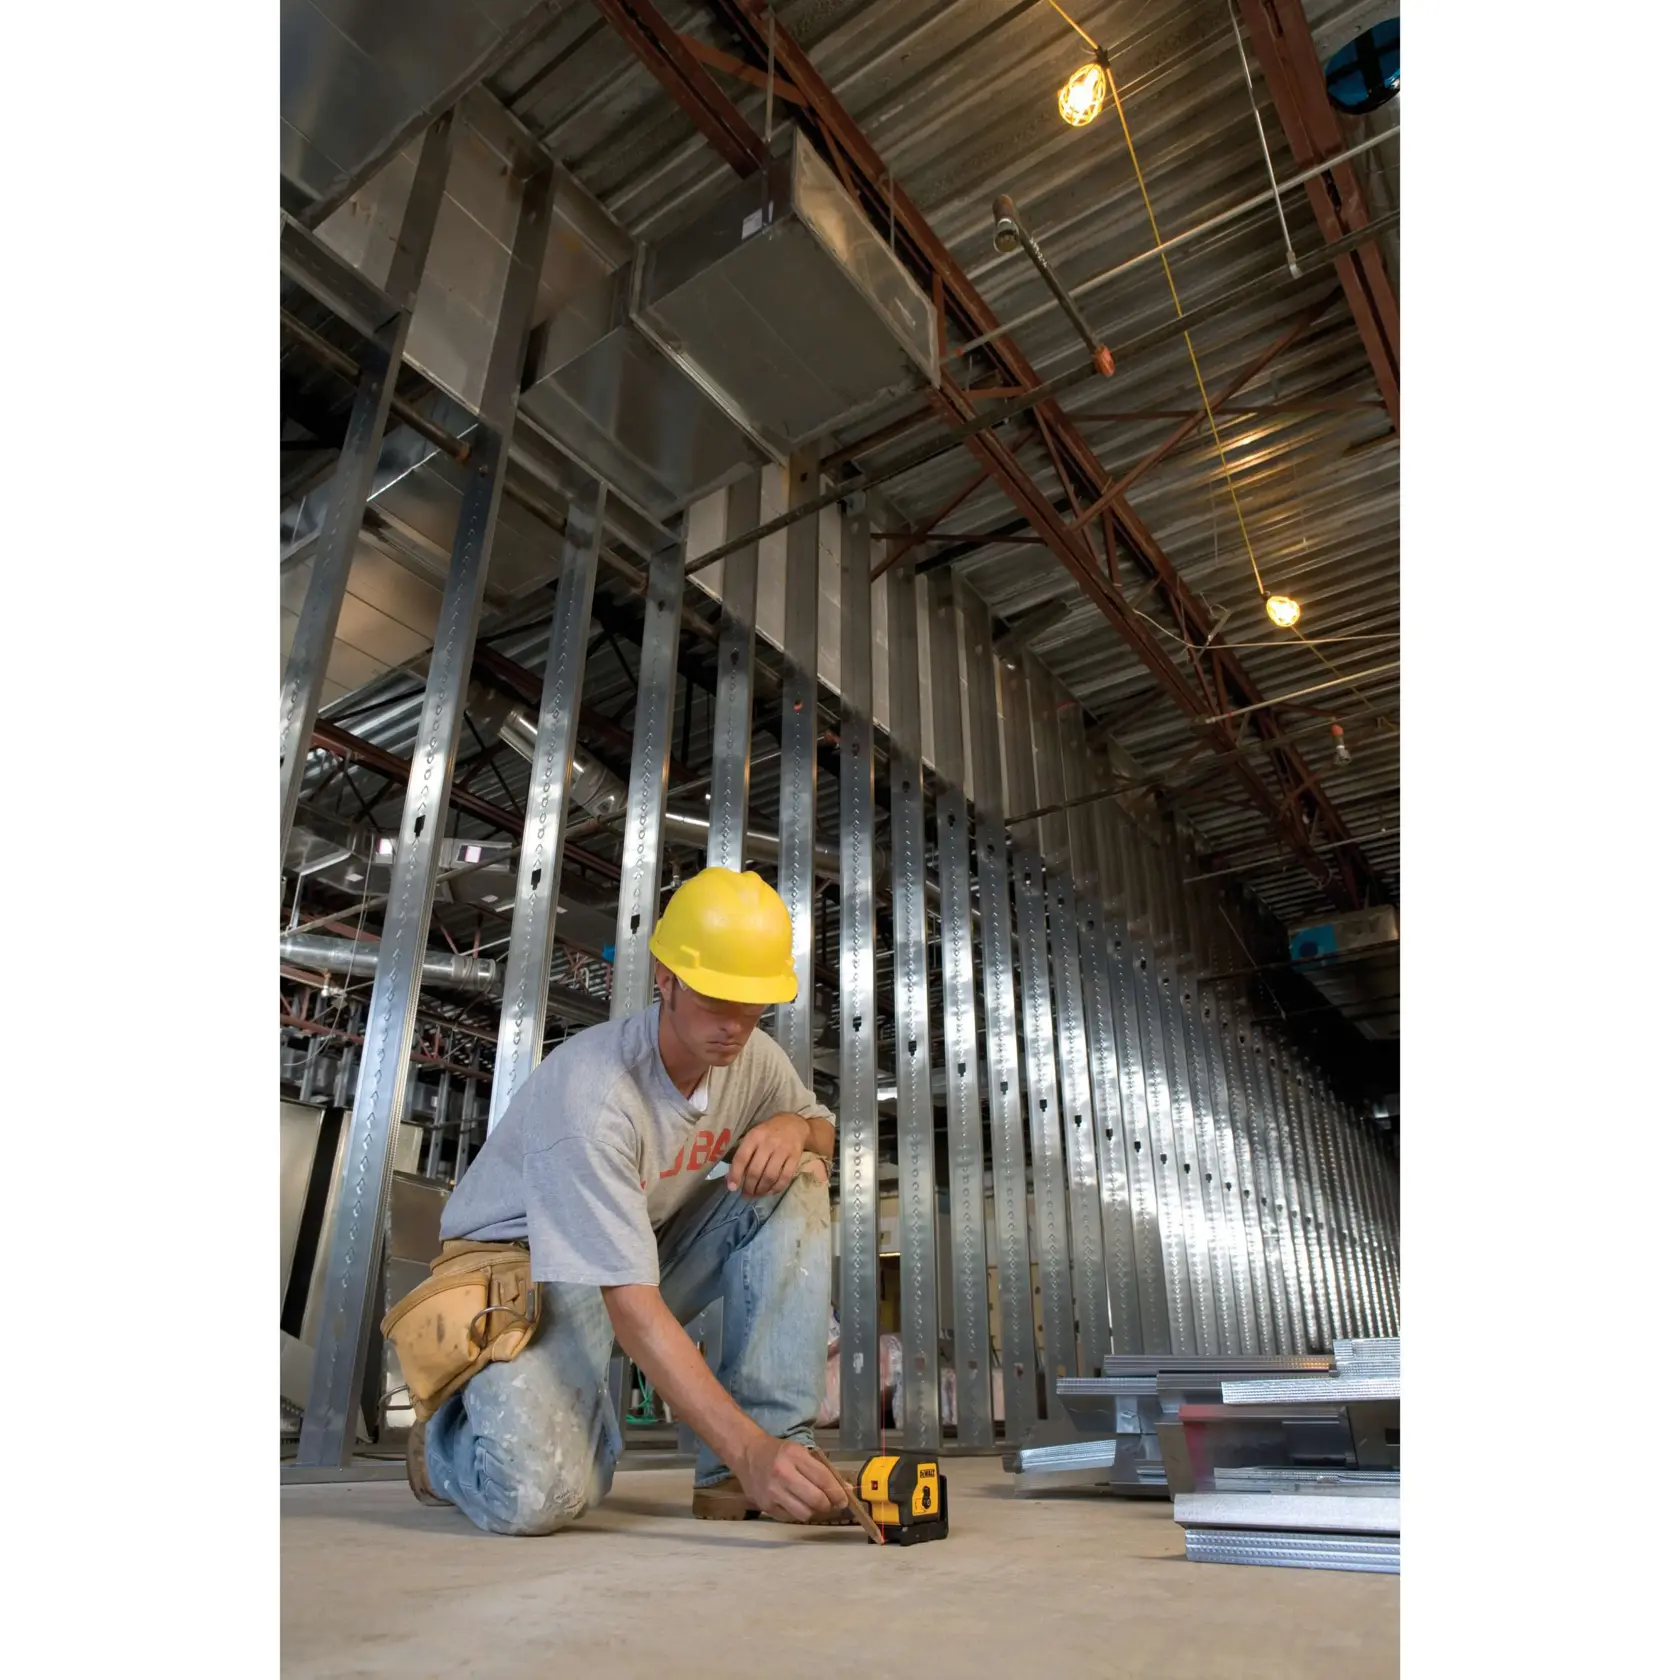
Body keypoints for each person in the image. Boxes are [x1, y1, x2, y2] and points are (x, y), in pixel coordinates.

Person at [405, 866, 852, 1536]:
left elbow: (824, 1131)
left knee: (802, 1172)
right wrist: (746, 1448)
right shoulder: (596, 1095)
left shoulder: (753, 1059)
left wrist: (796, 1128)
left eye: (752, 1002)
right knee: (542, 1497)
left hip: (633, 1251)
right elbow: (633, 1309)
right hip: (524, 1272)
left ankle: (761, 1451)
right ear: (665, 978)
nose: (734, 1024)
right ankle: (442, 1449)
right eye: (714, 998)